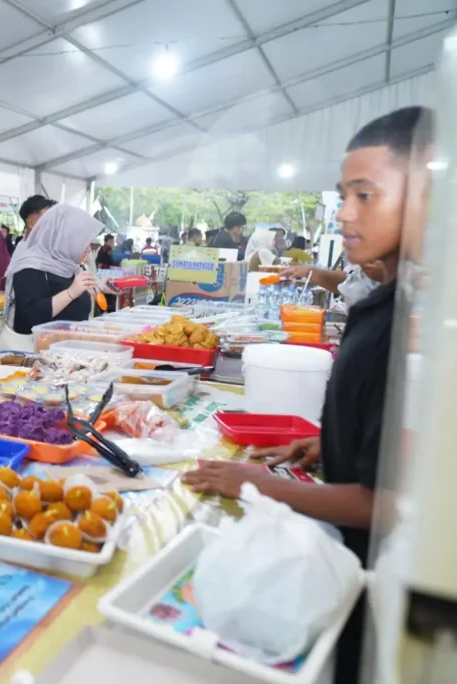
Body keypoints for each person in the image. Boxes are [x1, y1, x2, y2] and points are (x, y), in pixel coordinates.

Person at [182, 106, 433, 684]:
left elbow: (389, 501)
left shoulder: (416, 323)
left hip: (374, 573)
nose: (344, 213)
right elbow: (396, 438)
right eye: (343, 195)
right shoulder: (382, 305)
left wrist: (262, 486)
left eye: (365, 196)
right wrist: (332, 443)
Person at [0, 205, 116, 348]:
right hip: (37, 356)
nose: (88, 249)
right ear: (64, 238)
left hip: (67, 354)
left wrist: (99, 288)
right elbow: (32, 316)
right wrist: (71, 293)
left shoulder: (69, 265)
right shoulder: (30, 267)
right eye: (83, 242)